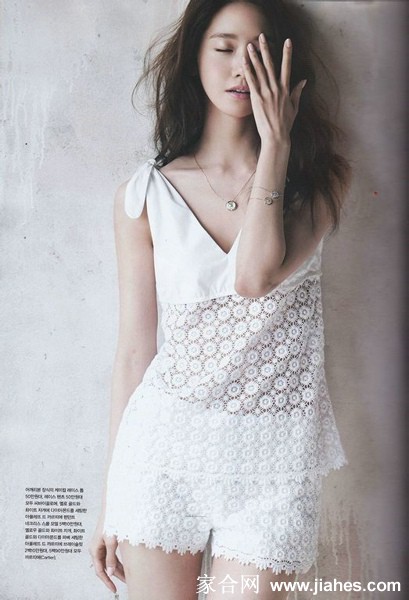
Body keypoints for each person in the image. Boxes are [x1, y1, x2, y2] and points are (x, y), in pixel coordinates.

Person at [88, 1, 351, 598]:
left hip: (276, 466)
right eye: (225, 48)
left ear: (285, 68)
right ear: (194, 59)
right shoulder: (145, 194)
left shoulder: (319, 183)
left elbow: (255, 276)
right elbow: (134, 353)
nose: (241, 69)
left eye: (259, 53)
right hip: (161, 457)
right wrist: (111, 499)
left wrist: (277, 143)